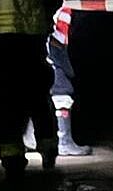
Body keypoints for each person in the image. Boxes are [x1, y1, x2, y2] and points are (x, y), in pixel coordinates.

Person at [0, 0, 57, 179]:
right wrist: (47, 15)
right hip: (30, 26)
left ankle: (12, 159)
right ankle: (48, 147)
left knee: (3, 97)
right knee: (37, 92)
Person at [25, 2, 92, 157]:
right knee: (61, 93)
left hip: (46, 45)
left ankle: (32, 139)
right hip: (50, 46)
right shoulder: (61, 7)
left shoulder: (66, 7)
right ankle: (63, 142)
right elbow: (55, 33)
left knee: (43, 94)